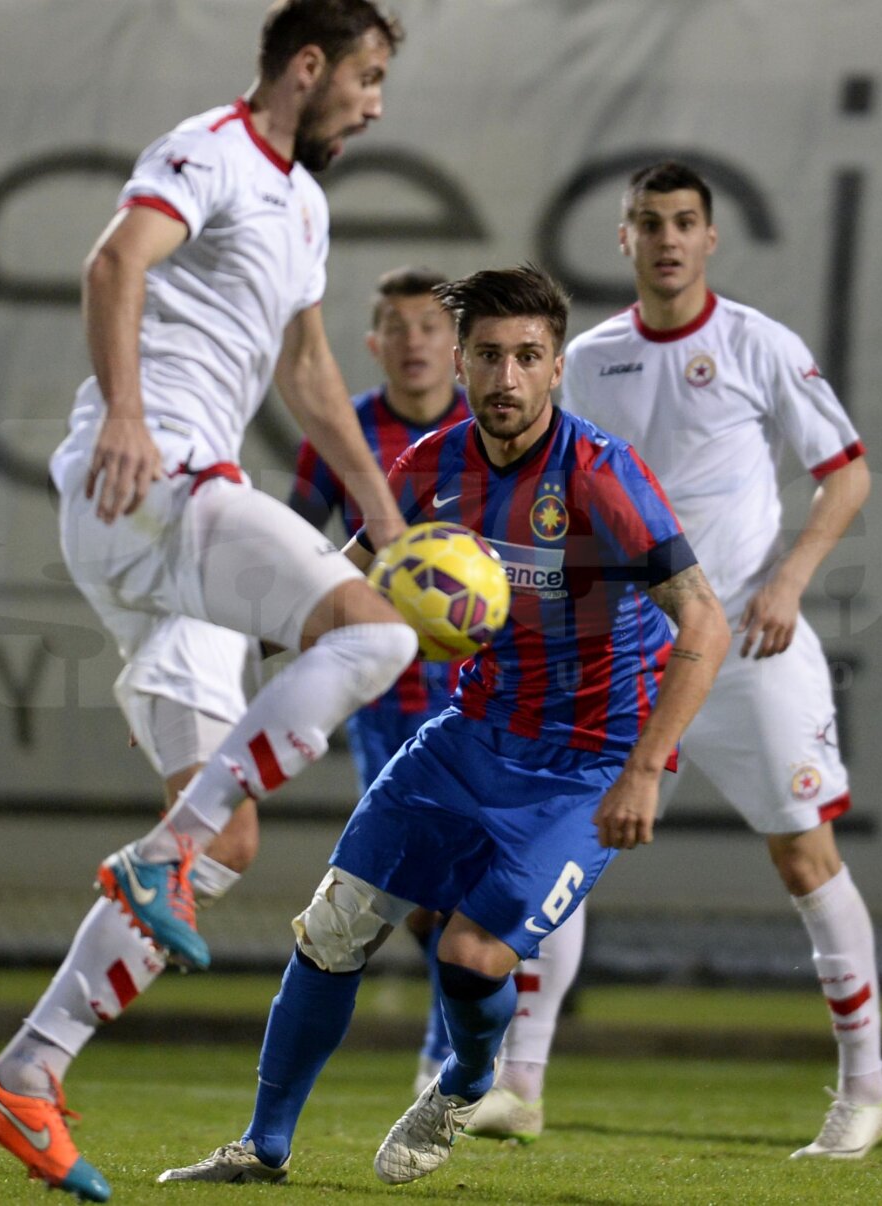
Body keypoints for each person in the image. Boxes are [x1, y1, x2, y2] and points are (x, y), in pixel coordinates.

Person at [0, 4, 417, 1201]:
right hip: (149, 480)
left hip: (163, 522)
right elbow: (115, 262)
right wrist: (124, 409)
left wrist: (389, 520)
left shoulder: (303, 203)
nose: (375, 104)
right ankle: (157, 857)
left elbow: (309, 370)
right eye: (366, 77)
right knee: (375, 633)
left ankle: (28, 1071)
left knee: (229, 836)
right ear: (307, 66)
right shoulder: (211, 146)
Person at [155, 265, 731, 1187]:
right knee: (334, 927)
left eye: (529, 357)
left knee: (468, 958)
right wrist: (215, 658)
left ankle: (464, 1081)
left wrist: (645, 769)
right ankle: (262, 1145)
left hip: (588, 763)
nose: (508, 378)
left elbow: (703, 619)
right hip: (469, 733)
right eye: (489, 356)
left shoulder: (600, 475)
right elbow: (338, 587)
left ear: (556, 368)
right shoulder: (428, 466)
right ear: (461, 362)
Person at [473, 159, 882, 1161]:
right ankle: (519, 1085)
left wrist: (789, 580)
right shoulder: (588, 359)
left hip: (746, 641)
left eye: (683, 221)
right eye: (648, 222)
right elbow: (552, 490)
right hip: (624, 654)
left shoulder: (757, 343)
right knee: (563, 849)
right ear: (623, 239)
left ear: (710, 237)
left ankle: (867, 1088)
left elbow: (847, 475)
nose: (667, 238)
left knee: (803, 853)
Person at [287, 266, 587, 1100]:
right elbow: (300, 548)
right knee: (414, 891)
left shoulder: (501, 429)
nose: (415, 342)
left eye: (429, 325)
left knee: (475, 886)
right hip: (385, 696)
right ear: (376, 343)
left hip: (484, 698)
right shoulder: (351, 433)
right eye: (400, 327)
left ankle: (457, 1054)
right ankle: (457, 1049)